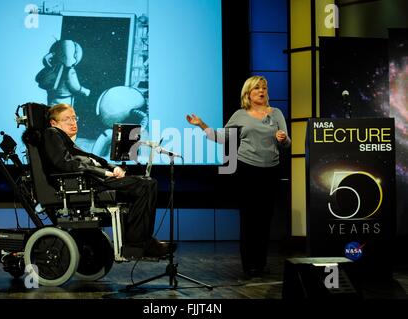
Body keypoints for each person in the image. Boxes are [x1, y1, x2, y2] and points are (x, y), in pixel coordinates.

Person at [186, 75, 291, 277]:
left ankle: (260, 264)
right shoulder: (240, 115)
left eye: (264, 88)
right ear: (248, 94)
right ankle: (249, 265)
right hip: (248, 170)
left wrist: (284, 138)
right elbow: (221, 137)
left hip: (271, 170)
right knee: (250, 219)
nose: (262, 91)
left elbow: (286, 143)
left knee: (265, 219)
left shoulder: (276, 114)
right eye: (257, 89)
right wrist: (201, 124)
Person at [42, 103, 169, 258]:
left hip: (95, 180)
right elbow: (65, 164)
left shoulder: (66, 141)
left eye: (74, 118)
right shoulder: (51, 133)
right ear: (53, 123)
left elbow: (93, 159)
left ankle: (141, 241)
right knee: (146, 185)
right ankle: (137, 243)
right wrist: (104, 173)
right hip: (87, 183)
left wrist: (112, 167)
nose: (72, 122)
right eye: (66, 119)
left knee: (146, 183)